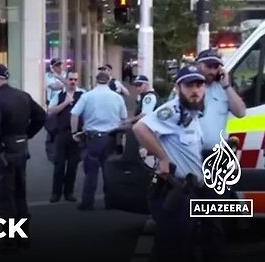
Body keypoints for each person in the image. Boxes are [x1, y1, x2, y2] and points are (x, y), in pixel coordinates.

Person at [132, 65, 207, 262]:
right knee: (174, 249)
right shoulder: (172, 110)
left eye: (199, 85)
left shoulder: (192, 113)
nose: (195, 90)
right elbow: (140, 128)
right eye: (189, 85)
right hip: (174, 191)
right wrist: (163, 158)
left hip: (190, 190)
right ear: (178, 87)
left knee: (185, 246)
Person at [0, 64, 46, 252]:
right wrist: (26, 135)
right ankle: (23, 237)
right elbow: (41, 116)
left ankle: (8, 240)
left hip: (4, 152)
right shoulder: (22, 96)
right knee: (20, 193)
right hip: (20, 149)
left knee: (4, 195)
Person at [195, 49, 246, 259]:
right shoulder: (187, 88)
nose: (212, 69)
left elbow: (241, 112)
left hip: (217, 159)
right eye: (208, 65)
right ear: (198, 65)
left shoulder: (222, 90)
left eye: (216, 66)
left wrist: (226, 85)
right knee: (187, 215)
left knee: (214, 217)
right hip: (191, 158)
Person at [70, 72, 128, 210]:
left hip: (93, 137)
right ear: (108, 81)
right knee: (109, 171)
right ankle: (111, 202)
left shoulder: (87, 96)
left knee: (91, 172)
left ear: (95, 81)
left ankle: (87, 203)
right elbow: (124, 118)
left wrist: (74, 132)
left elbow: (74, 114)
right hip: (112, 137)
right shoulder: (117, 97)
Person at [47, 71, 85, 203]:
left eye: (75, 79)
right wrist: (65, 103)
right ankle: (56, 193)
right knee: (59, 164)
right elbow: (51, 110)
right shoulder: (59, 95)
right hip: (62, 133)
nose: (73, 82)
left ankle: (69, 192)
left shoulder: (83, 95)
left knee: (73, 165)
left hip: (77, 134)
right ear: (66, 80)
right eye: (71, 79)